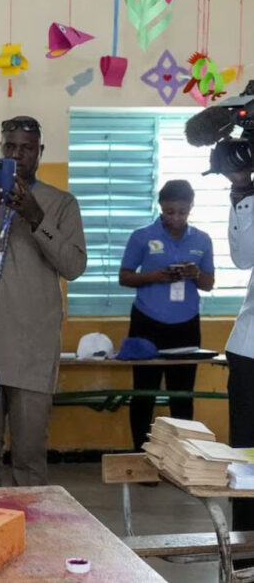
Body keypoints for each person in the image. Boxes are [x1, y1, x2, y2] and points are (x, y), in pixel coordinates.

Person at [0, 115, 87, 487]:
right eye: (10, 148)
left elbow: (74, 265)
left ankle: (32, 537)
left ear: (40, 153)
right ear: (1, 151)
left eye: (26, 148)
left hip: (32, 348)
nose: (18, 155)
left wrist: (35, 217)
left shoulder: (61, 204)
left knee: (29, 458)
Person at [119, 180, 214, 451]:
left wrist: (195, 274)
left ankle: (180, 460)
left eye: (182, 212)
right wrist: (155, 276)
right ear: (160, 207)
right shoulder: (142, 236)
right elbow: (124, 277)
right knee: (144, 394)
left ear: (191, 208)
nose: (176, 217)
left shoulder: (202, 240)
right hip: (146, 323)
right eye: (170, 211)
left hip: (186, 326)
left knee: (182, 396)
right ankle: (142, 457)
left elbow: (208, 283)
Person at [220, 155, 254, 535]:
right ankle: (246, 559)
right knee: (248, 462)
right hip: (251, 350)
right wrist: (243, 187)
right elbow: (244, 257)